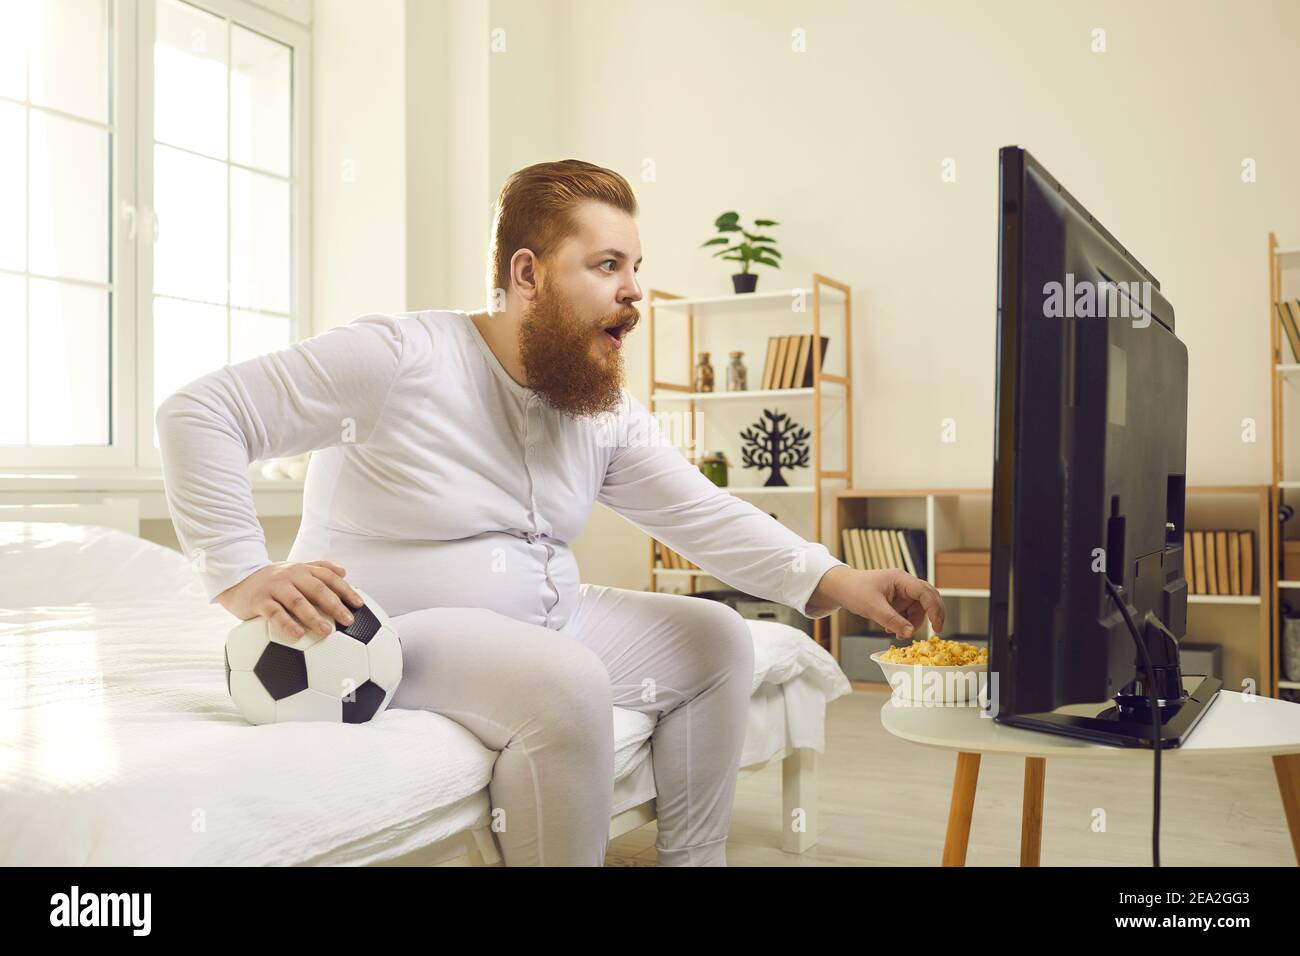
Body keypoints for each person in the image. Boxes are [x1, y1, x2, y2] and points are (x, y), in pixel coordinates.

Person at [156, 159, 945, 866]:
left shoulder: (598, 406)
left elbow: (698, 511)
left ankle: (696, 860)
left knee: (715, 637)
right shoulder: (399, 358)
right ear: (527, 274)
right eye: (607, 266)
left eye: (634, 267)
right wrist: (241, 573)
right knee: (569, 680)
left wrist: (839, 579)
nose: (633, 290)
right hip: (396, 627)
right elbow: (201, 413)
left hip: (546, 619)